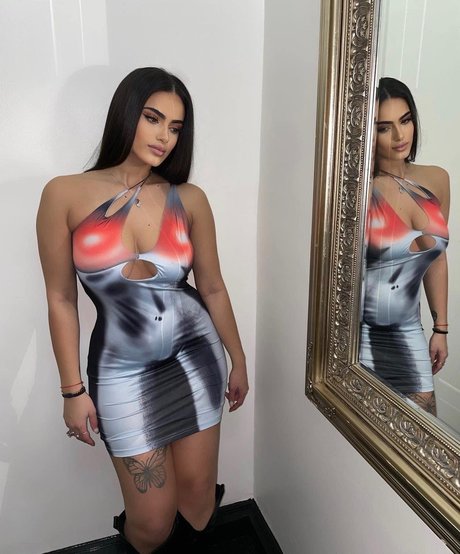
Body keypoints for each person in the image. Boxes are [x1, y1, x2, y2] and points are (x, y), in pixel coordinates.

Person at [36, 67, 249, 553]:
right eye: (153, 119)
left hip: (196, 359)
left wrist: (237, 358)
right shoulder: (63, 194)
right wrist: (72, 389)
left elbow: (213, 288)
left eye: (175, 127)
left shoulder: (188, 199)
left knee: (198, 503)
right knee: (152, 523)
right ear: (127, 114)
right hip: (122, 372)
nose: (164, 136)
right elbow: (61, 299)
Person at [360, 77, 449, 417]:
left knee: (420, 435)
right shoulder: (357, 191)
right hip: (363, 338)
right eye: (384, 127)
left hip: (411, 332)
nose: (400, 135)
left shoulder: (437, 179)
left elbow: (435, 259)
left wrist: (441, 329)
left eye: (406, 120)